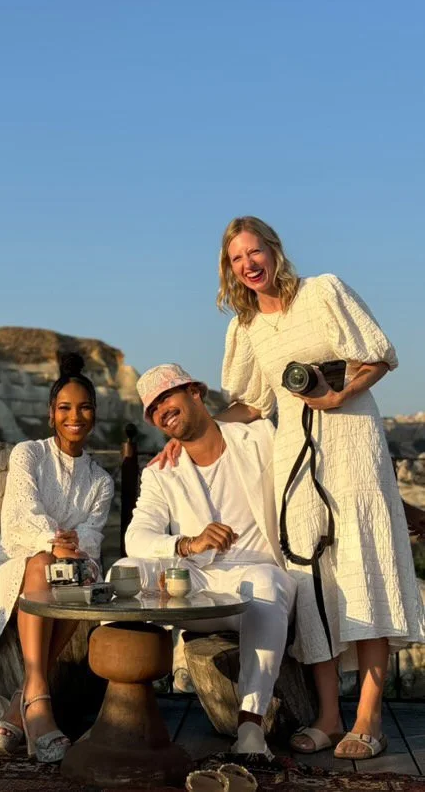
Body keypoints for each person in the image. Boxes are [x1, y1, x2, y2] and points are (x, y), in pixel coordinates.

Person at [211, 216, 424, 759]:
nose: (248, 264)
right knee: (311, 580)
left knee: (363, 565)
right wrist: (193, 429)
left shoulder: (324, 291)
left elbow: (380, 355)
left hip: (352, 443)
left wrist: (339, 394)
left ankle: (369, 717)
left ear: (274, 251)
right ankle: (329, 717)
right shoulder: (247, 328)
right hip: (295, 460)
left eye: (255, 251)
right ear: (229, 268)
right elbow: (255, 403)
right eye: (237, 258)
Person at [116, 362, 297, 759]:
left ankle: (250, 727)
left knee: (267, 582)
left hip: (252, 581)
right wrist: (186, 544)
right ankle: (122, 714)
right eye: (153, 410)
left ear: (196, 392)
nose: (161, 410)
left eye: (167, 397)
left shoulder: (258, 439)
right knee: (125, 570)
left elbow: (274, 404)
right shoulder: (162, 471)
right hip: (193, 586)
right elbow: (136, 536)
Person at [0, 353, 113, 763]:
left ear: (94, 414)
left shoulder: (101, 480)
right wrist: (55, 544)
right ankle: (40, 709)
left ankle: (25, 701)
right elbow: (21, 515)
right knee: (41, 563)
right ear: (51, 414)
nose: (76, 415)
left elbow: (91, 534)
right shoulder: (28, 454)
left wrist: (69, 548)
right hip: (16, 565)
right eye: (65, 408)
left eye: (84, 407)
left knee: (83, 579)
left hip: (68, 570)